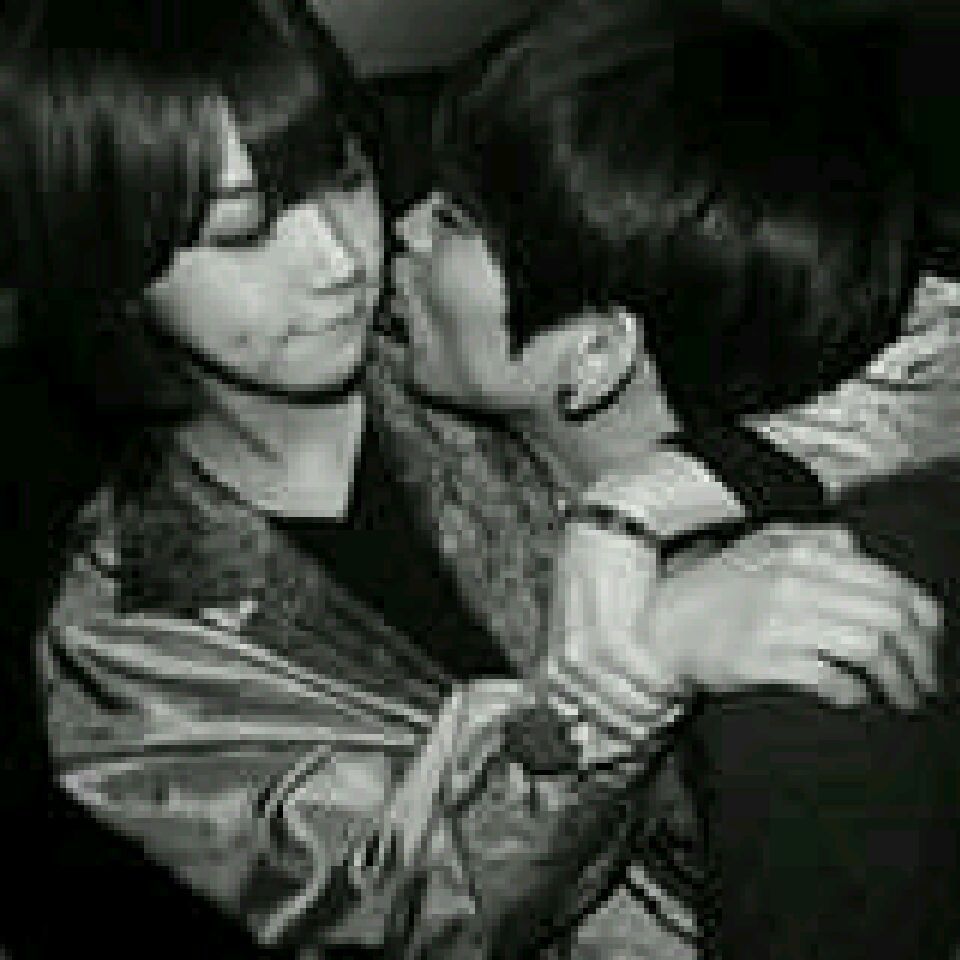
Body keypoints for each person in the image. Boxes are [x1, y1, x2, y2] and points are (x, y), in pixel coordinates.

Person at [2, 1, 947, 957]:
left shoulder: (451, 330)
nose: (340, 259)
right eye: (244, 231)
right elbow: (389, 915)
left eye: (342, 173)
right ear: (108, 266)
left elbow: (915, 334)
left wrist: (644, 502)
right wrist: (625, 675)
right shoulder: (127, 633)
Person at [387, 0, 960, 955]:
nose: (399, 230)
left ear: (597, 356)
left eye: (453, 220)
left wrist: (610, 682)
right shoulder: (401, 401)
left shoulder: (811, 674)